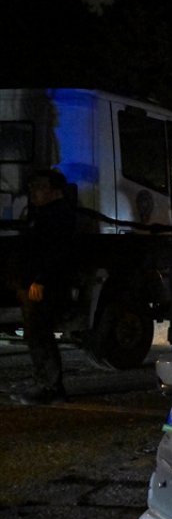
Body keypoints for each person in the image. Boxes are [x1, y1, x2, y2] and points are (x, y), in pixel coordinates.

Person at [11, 170, 78, 405]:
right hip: (37, 282)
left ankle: (50, 387)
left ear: (53, 190)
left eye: (39, 187)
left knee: (40, 333)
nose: (33, 192)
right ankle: (45, 383)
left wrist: (40, 280)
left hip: (45, 285)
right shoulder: (46, 213)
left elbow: (56, 254)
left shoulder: (58, 216)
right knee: (35, 333)